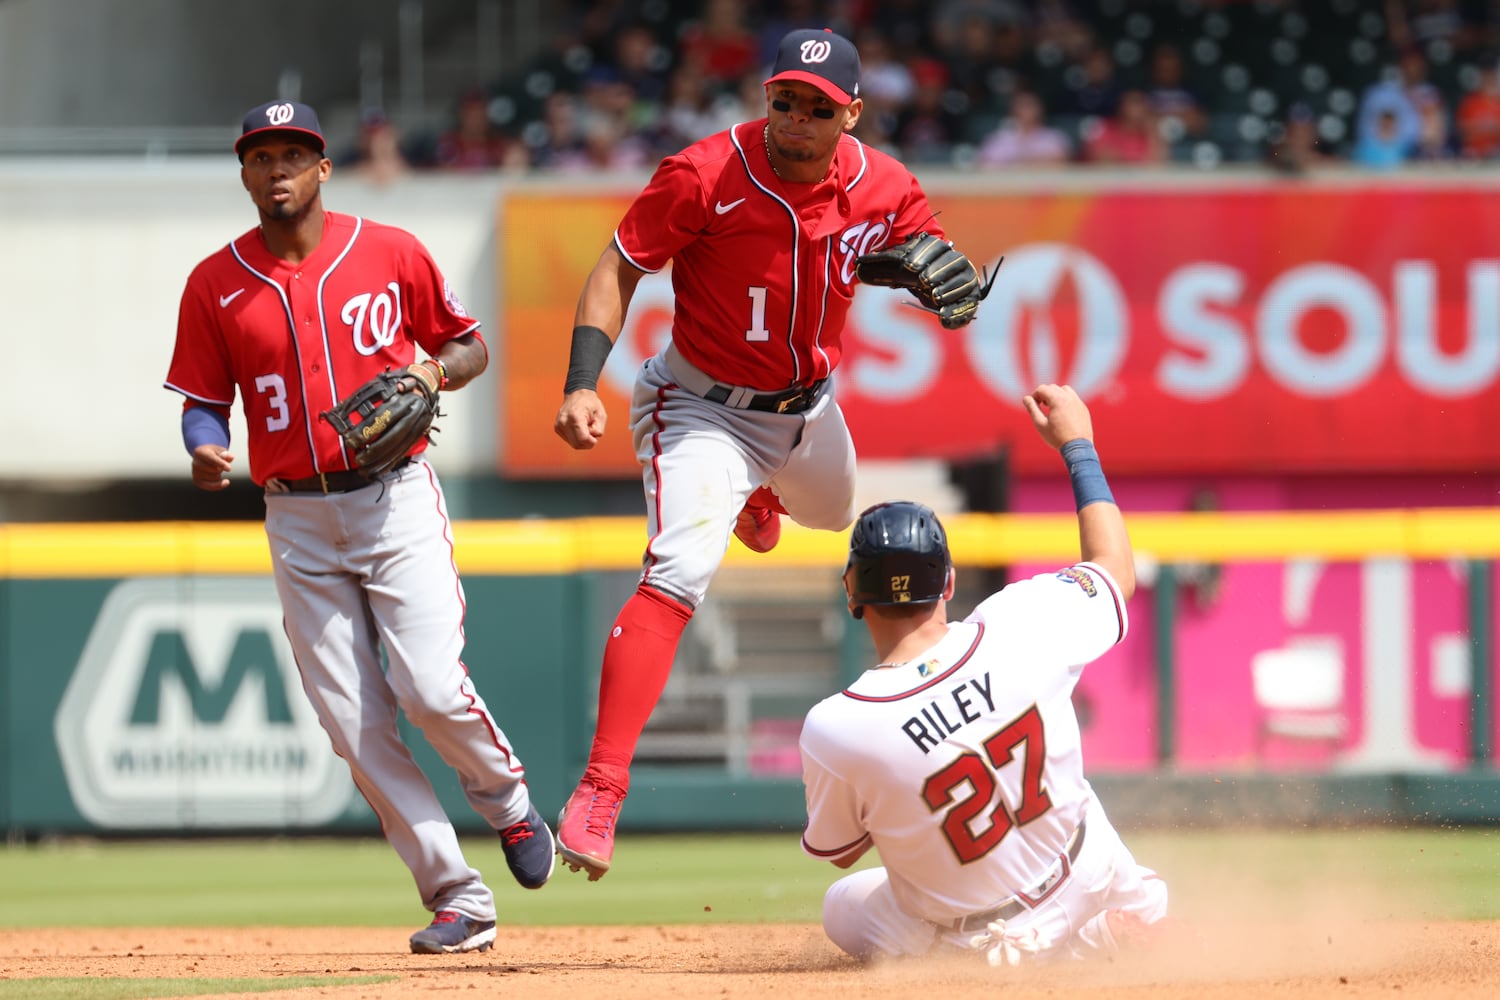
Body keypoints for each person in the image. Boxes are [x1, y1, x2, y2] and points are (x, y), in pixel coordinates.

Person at [551, 27, 989, 880]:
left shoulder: (885, 184)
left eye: (817, 108)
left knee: (832, 515)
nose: (795, 119)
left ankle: (756, 497)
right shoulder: (703, 173)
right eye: (784, 101)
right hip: (701, 408)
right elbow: (616, 267)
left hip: (807, 409)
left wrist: (951, 291)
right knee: (678, 569)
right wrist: (578, 382)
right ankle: (602, 788)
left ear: (851, 115)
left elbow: (938, 262)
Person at [163, 100, 554, 955]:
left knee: (428, 687)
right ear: (244, 172)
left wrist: (426, 369)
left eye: (294, 154)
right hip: (294, 514)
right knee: (353, 723)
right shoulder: (215, 280)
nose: (278, 170)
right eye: (261, 156)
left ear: (323, 167)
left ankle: (509, 802)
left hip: (393, 497)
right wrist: (204, 446)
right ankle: (459, 897)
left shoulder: (389, 250)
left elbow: (468, 346)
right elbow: (202, 400)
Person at [799, 383, 1169, 965]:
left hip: (979, 939)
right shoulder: (1023, 619)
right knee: (1073, 822)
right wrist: (1078, 446)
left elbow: (840, 851)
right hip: (1090, 871)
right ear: (947, 582)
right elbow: (1114, 570)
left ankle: (1030, 952)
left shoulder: (837, 726)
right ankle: (1114, 919)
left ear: (852, 595)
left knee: (842, 902)